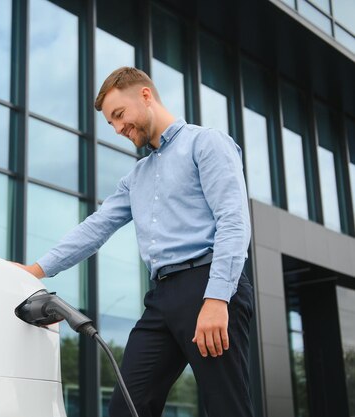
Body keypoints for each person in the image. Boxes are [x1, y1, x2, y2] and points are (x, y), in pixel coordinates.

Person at [14, 66, 253, 417]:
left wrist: (217, 298)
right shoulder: (136, 177)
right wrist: (36, 269)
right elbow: (96, 226)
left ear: (145, 95)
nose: (118, 129)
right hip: (162, 298)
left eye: (119, 115)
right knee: (127, 408)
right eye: (112, 124)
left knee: (227, 407)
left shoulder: (206, 143)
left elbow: (234, 220)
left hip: (209, 286)